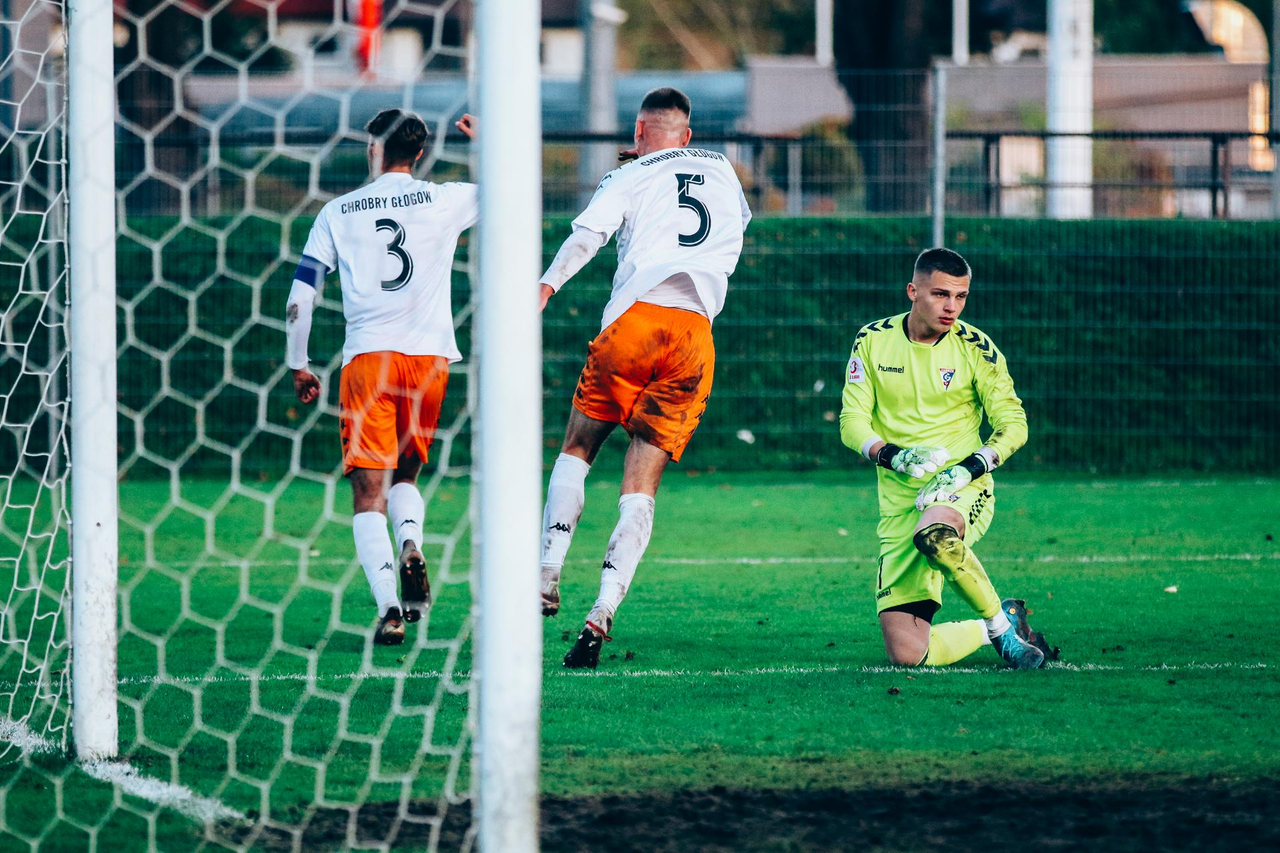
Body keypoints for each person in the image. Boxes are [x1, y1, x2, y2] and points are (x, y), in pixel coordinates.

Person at [537, 87, 752, 668]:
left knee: (578, 448)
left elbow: (588, 236)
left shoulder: (626, 175)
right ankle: (602, 609)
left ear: (637, 132)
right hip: (694, 335)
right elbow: (733, 223)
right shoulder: (722, 169)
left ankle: (548, 572)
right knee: (641, 489)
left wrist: (547, 285)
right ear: (688, 135)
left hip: (635, 321)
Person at [286, 108, 478, 645]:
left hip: (369, 361)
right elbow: (511, 190)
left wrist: (299, 363)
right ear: (418, 153)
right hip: (430, 362)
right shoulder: (444, 199)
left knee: (368, 495)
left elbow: (301, 297)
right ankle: (411, 542)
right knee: (406, 478)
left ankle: (391, 608)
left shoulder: (338, 212)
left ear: (373, 149)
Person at [838, 247, 1056, 669]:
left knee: (935, 532)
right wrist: (892, 455)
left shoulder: (976, 347)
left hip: (962, 490)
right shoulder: (872, 340)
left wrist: (970, 467)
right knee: (908, 655)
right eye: (941, 294)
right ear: (912, 291)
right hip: (900, 503)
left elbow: (1014, 423)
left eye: (961, 296)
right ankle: (1002, 620)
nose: (951, 307)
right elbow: (852, 421)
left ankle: (1000, 631)